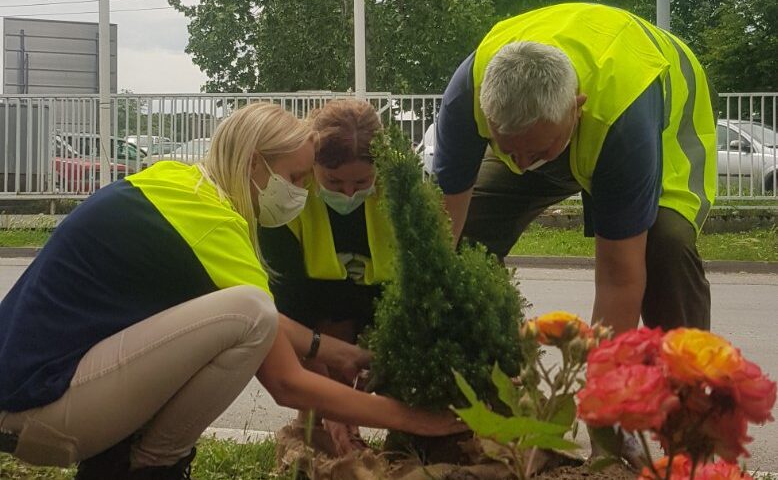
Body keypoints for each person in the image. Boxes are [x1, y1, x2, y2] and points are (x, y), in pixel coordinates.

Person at [0, 103, 462, 480]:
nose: (302, 193)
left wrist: (330, 349)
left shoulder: (180, 188)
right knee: (250, 313)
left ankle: (128, 465)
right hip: (42, 413)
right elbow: (283, 379)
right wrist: (411, 418)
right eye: (297, 178)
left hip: (27, 401)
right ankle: (152, 468)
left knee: (247, 314)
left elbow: (235, 324)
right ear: (253, 164)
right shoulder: (217, 225)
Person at [435, 2, 716, 337]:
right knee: (471, 232)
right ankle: (476, 363)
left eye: (538, 151)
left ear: (576, 108)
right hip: (551, 121)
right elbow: (441, 235)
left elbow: (619, 279)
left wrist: (599, 383)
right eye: (508, 149)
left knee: (666, 246)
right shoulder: (466, 96)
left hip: (662, 124)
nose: (523, 165)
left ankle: (686, 378)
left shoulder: (624, 124)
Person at [259, 98, 394, 453]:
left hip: (382, 302)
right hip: (311, 306)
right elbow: (290, 304)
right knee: (328, 346)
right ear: (312, 166)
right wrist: (328, 397)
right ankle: (317, 429)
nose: (349, 193)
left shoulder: (400, 193)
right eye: (333, 181)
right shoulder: (288, 199)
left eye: (362, 181)